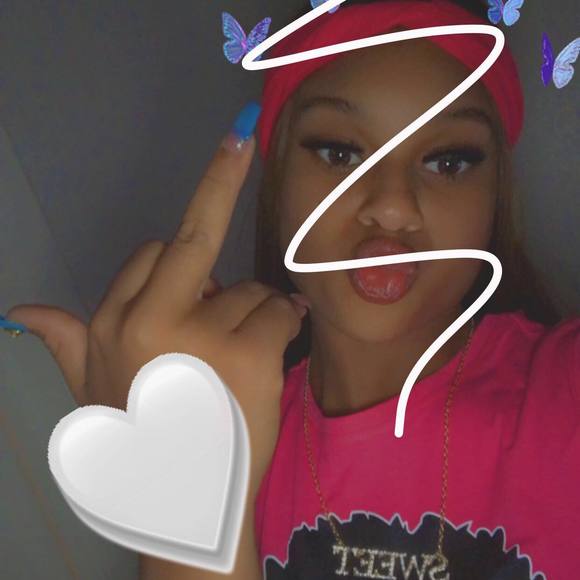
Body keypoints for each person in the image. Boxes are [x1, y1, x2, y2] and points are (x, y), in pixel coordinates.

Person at [5, 0, 578, 579]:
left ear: (495, 194)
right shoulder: (220, 431)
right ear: (278, 180)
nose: (392, 207)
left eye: (449, 162)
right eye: (339, 153)